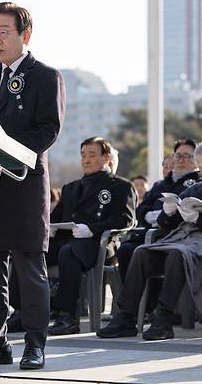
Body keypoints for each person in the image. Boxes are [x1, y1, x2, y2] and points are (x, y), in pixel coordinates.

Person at [0, 2, 65, 371]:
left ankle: (35, 344)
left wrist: (9, 153)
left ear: (25, 35)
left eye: (4, 32)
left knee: (30, 272)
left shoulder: (46, 76)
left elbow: (48, 128)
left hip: (22, 184)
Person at [97, 140, 202, 340]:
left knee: (178, 254)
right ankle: (126, 316)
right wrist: (168, 213)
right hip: (182, 242)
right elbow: (166, 225)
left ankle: (164, 318)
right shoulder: (195, 189)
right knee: (142, 252)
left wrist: (200, 219)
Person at [46, 137, 136, 335]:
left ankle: (68, 316)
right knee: (29, 250)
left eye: (92, 155)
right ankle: (22, 311)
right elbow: (56, 217)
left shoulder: (120, 186)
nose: (86, 160)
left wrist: (92, 229)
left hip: (96, 244)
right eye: (83, 156)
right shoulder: (71, 188)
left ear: (106, 157)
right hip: (67, 240)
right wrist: (50, 227)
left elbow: (126, 219)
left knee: (69, 253)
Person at [117, 139, 201, 282]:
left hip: (176, 239)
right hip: (150, 236)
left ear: (197, 160)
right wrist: (149, 215)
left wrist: (162, 216)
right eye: (178, 155)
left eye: (187, 156)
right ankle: (130, 302)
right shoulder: (160, 185)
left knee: (147, 256)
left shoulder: (199, 184)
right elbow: (141, 209)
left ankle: (150, 302)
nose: (181, 160)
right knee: (125, 250)